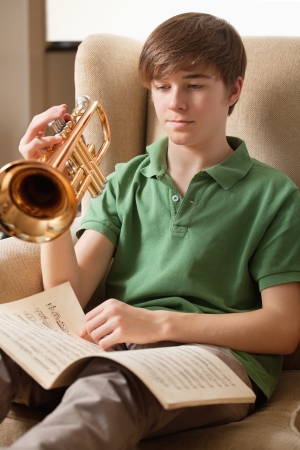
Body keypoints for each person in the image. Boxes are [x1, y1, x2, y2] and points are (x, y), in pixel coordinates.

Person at [1, 11, 300, 450]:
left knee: (108, 391)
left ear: (233, 89)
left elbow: (283, 328)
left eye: (195, 85)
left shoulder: (275, 195)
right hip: (112, 348)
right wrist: (52, 190)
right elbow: (69, 292)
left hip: (217, 361)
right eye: (162, 87)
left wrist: (156, 323)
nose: (174, 102)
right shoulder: (126, 179)